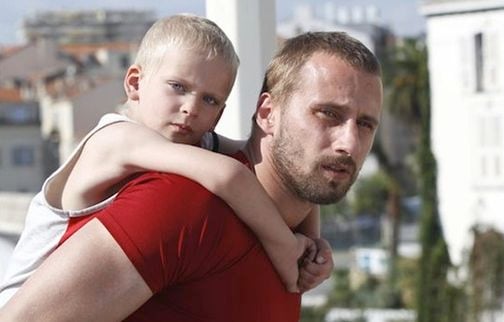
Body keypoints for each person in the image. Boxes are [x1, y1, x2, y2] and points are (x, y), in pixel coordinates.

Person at [0, 30, 383, 321]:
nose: (349, 143)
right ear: (266, 113)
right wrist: (287, 246)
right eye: (328, 114)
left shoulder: (286, 229)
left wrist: (311, 242)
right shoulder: (181, 201)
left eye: (365, 124)